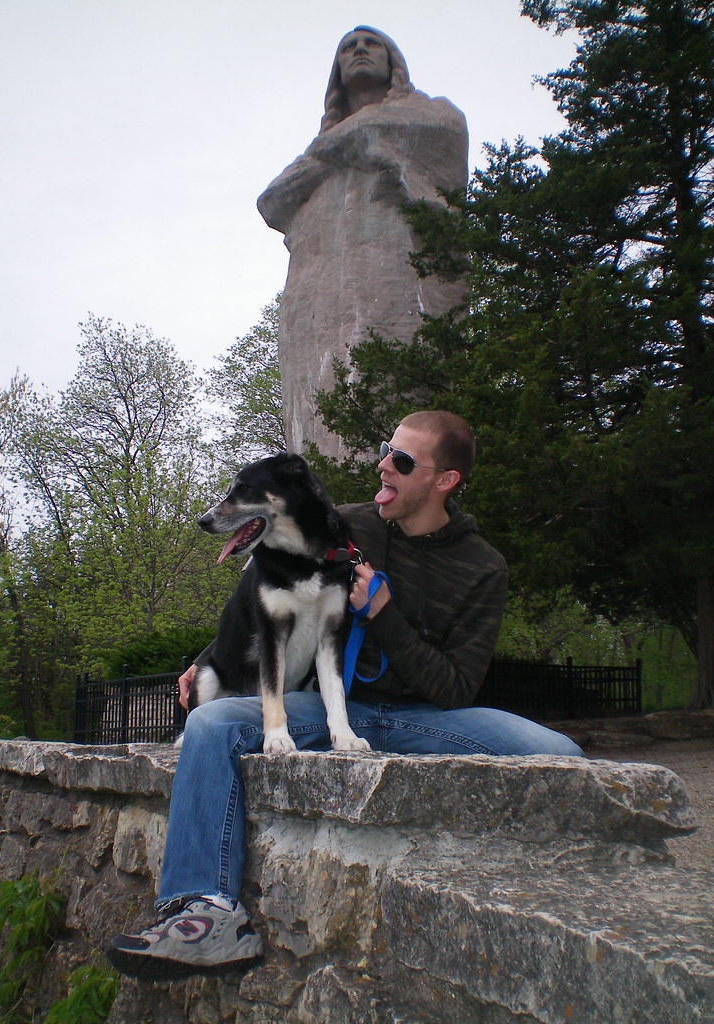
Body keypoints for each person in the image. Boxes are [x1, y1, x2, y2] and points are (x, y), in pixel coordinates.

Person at [106, 411, 583, 980]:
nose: (384, 464)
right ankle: (206, 911)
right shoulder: (343, 525)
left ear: (445, 480)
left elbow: (456, 687)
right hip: (333, 710)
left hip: (422, 718)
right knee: (212, 725)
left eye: (403, 461)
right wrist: (210, 658)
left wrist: (384, 617)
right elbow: (262, 594)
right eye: (387, 449)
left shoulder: (483, 567)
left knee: (562, 754)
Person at [257, 29, 470, 458]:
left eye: (371, 44)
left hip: (395, 266)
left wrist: (333, 150)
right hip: (315, 292)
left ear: (394, 61)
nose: (357, 50)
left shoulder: (430, 113)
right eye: (346, 48)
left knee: (396, 384)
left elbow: (442, 136)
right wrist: (333, 152)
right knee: (318, 404)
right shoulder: (317, 152)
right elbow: (271, 201)